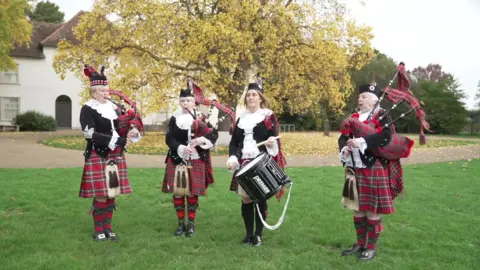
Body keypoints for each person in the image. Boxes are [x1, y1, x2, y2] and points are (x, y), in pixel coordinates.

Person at [338, 83, 402, 260]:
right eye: (360, 97)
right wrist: (344, 149)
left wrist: (361, 142)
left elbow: (386, 136)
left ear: (374, 100)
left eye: (364, 96)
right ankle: (360, 244)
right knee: (357, 209)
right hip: (353, 167)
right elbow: (343, 137)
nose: (360, 99)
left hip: (372, 167)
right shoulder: (354, 116)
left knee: (372, 210)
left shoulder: (381, 115)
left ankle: (370, 247)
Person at [79, 64, 141, 242]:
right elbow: (88, 133)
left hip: (116, 155)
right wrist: (114, 140)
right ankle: (98, 229)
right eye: (103, 90)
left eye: (107, 90)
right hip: (99, 154)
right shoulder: (88, 108)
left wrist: (133, 132)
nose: (107, 93)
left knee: (112, 192)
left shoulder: (116, 108)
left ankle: (108, 228)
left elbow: (125, 126)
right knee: (101, 193)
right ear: (94, 92)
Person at [227, 82, 287, 246]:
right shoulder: (241, 119)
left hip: (261, 163)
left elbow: (275, 139)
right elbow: (234, 142)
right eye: (248, 95)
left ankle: (258, 235)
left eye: (254, 94)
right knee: (246, 200)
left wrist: (271, 143)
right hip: (243, 163)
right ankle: (248, 235)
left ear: (261, 98)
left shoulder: (268, 116)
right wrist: (233, 157)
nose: (251, 97)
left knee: (260, 198)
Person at [162, 88, 218, 237]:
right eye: (183, 101)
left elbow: (213, 135)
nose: (185, 103)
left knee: (192, 193)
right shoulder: (174, 118)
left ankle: (191, 225)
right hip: (176, 158)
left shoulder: (202, 118)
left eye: (188, 100)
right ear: (180, 102)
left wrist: (200, 140)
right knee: (178, 192)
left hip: (196, 158)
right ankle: (181, 224)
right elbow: (169, 138)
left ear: (194, 102)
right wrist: (180, 147)